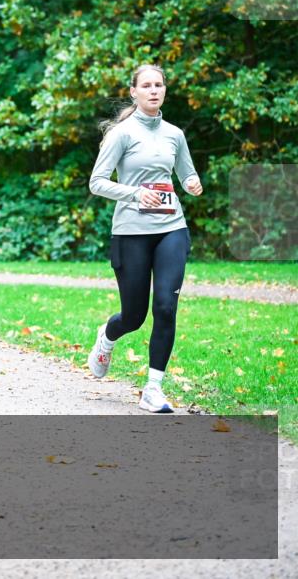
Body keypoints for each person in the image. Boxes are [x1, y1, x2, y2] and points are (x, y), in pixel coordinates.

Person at [86, 64, 203, 413]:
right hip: (131, 232)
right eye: (147, 85)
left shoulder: (174, 134)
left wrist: (192, 183)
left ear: (165, 90)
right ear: (134, 92)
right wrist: (136, 194)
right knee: (134, 316)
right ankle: (107, 337)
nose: (154, 90)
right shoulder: (121, 134)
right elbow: (97, 182)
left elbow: (186, 174)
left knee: (165, 307)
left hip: (171, 228)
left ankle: (153, 388)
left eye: (159, 85)